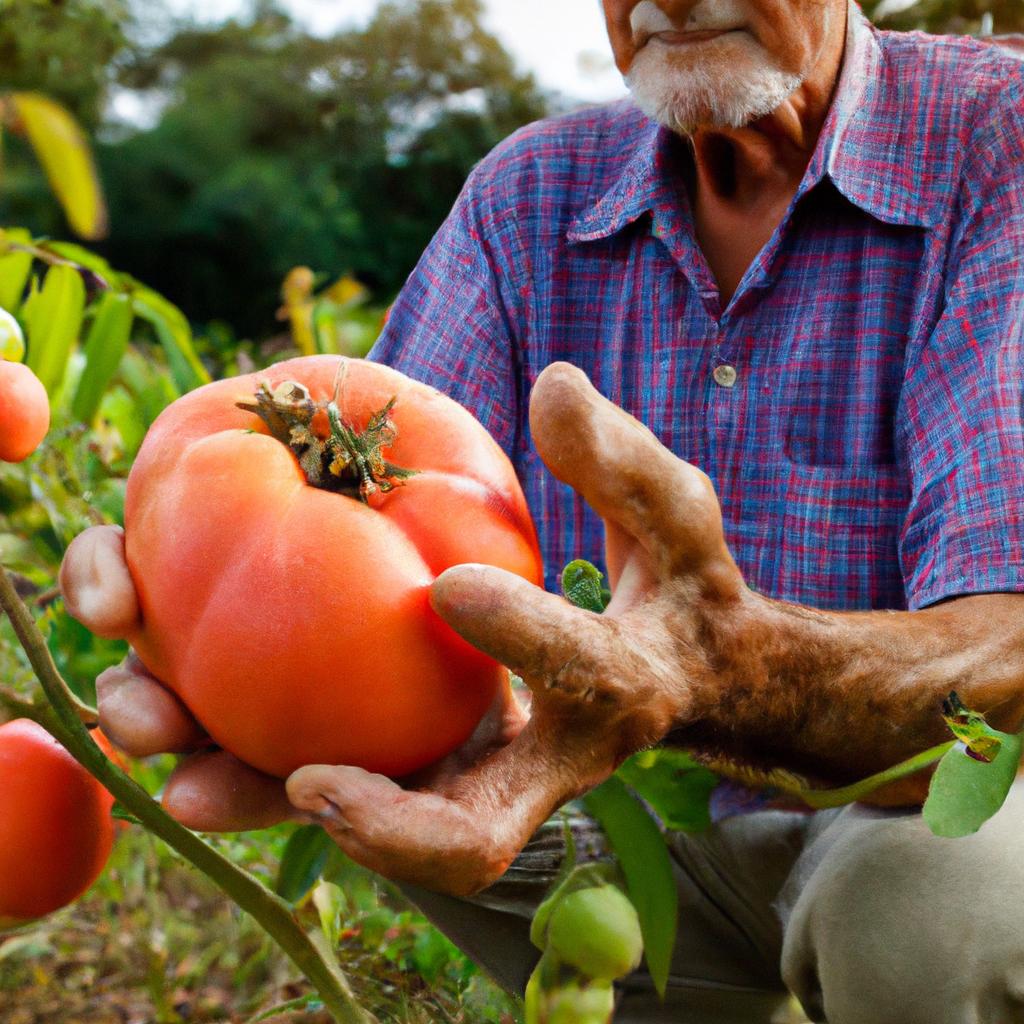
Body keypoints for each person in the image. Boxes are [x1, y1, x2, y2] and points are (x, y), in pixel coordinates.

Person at [60, 1, 1024, 1021]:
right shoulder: (527, 198)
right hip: (609, 809)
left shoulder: (991, 141)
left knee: (945, 911)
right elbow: (347, 524)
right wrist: (196, 562)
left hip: (905, 807)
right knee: (406, 802)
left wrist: (709, 672)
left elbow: (1006, 656)